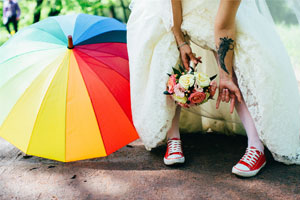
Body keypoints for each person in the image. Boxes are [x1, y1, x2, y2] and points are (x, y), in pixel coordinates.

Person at [127, 0, 300, 177]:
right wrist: (180, 41)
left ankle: (256, 146)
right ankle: (173, 138)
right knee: (165, 49)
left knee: (238, 60)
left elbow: (224, 27)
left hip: (210, 8)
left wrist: (225, 75)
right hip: (163, 6)